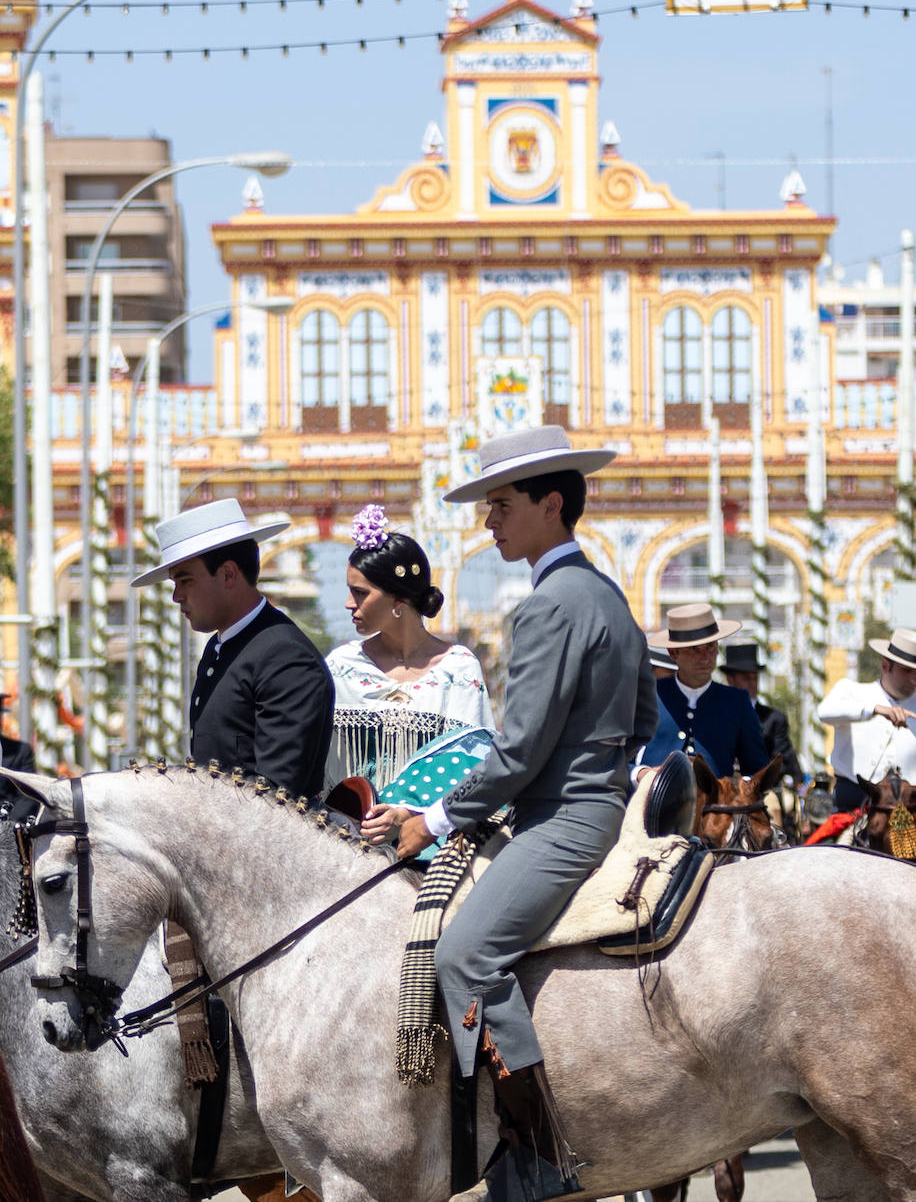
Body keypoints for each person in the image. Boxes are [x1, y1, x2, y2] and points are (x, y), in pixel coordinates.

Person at [364, 424, 657, 1202]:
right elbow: (643, 713)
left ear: (550, 504)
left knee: (463, 955)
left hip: (561, 818)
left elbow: (519, 749)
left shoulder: (549, 605)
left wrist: (433, 818)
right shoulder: (607, 594)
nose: (488, 521)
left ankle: (535, 1156)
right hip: (597, 802)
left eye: (501, 505)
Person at [132, 498, 333, 800]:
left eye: (185, 581)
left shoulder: (285, 657)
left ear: (228, 574)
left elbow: (276, 797)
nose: (176, 596)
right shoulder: (222, 647)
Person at [324, 503, 495, 793]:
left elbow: (474, 765)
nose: (348, 604)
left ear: (398, 600)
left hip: (432, 820)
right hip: (348, 820)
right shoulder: (341, 666)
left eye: (360, 593)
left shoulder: (459, 669)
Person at [640, 603, 768, 778]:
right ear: (673, 653)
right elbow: (619, 758)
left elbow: (757, 769)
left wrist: (738, 786)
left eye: (710, 647)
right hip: (652, 793)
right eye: (694, 649)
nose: (705, 657)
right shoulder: (647, 696)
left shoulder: (736, 702)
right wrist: (642, 774)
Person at [816, 625, 916, 812]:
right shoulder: (852, 691)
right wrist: (874, 709)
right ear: (886, 666)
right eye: (906, 671)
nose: (913, 680)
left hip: (906, 807)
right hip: (850, 801)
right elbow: (824, 712)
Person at [722, 642, 804, 784]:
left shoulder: (774, 720)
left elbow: (784, 762)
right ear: (730, 679)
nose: (752, 683)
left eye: (755, 677)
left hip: (761, 789)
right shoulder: (717, 715)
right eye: (746, 678)